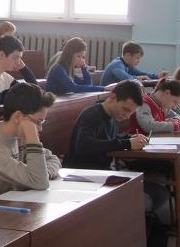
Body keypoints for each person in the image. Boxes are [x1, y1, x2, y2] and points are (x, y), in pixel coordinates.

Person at [64, 80, 168, 215]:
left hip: (106, 174)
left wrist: (129, 139)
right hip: (87, 176)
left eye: (131, 113)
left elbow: (109, 139)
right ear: (113, 97)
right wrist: (127, 143)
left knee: (160, 193)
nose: (127, 116)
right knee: (145, 201)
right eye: (126, 110)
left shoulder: (113, 116)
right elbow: (83, 145)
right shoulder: (91, 114)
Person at [45, 37, 111, 94]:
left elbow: (88, 85)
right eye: (78, 56)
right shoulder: (59, 69)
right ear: (69, 55)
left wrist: (83, 68)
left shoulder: (69, 69)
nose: (81, 60)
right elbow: (74, 88)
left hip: (63, 101)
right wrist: (104, 88)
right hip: (53, 102)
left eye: (83, 57)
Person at [99, 41, 168, 85]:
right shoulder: (117, 65)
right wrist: (137, 78)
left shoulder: (128, 65)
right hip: (105, 98)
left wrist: (157, 76)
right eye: (137, 58)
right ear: (128, 55)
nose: (139, 61)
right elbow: (126, 78)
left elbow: (140, 73)